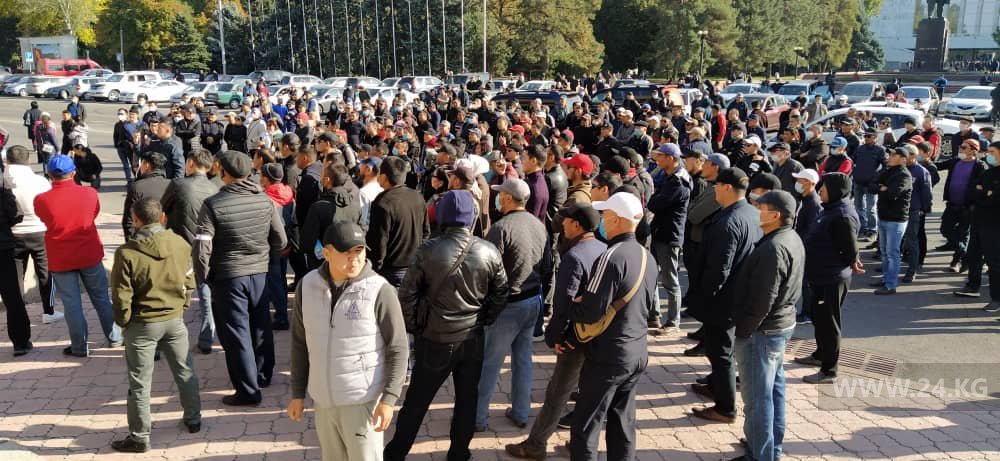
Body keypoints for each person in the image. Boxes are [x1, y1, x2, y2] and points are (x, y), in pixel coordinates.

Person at [384, 190, 509, 461]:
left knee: (416, 402)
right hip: (472, 338)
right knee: (467, 400)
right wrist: (484, 318)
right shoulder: (489, 251)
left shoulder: (429, 249)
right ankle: (459, 453)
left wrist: (417, 326)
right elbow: (501, 293)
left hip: (435, 339)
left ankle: (396, 453)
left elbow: (406, 296)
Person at [288, 221, 409, 461]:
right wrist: (297, 393)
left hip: (362, 401)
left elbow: (398, 347)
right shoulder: (307, 286)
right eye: (346, 252)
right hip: (323, 401)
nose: (354, 259)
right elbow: (300, 342)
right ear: (327, 253)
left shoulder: (379, 290)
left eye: (359, 251)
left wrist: (389, 399)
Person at [505, 203, 605, 460]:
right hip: (597, 335)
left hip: (574, 337)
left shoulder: (574, 256)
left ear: (577, 225)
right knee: (589, 393)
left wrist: (556, 338)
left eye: (566, 220)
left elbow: (563, 305)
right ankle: (582, 443)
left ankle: (536, 444)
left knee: (557, 394)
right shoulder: (603, 249)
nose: (563, 225)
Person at [192, 150, 288, 405]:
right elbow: (281, 240)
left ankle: (248, 390)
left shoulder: (213, 204)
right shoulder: (265, 200)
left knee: (237, 334)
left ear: (224, 172)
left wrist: (206, 278)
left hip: (229, 276)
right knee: (260, 325)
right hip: (259, 274)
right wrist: (265, 260)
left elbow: (202, 248)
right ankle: (263, 375)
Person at [567, 192, 657, 460]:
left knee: (585, 426)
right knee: (622, 423)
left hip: (609, 354)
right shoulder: (647, 256)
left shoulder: (611, 256)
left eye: (605, 216)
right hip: (636, 350)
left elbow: (590, 312)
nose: (602, 222)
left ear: (617, 220)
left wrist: (574, 304)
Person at [108, 198, 201, 453]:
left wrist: (123, 322)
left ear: (136, 220)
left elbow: (121, 296)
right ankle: (193, 419)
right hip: (174, 319)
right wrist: (182, 306)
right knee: (185, 371)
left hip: (142, 324)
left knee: (140, 382)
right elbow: (189, 280)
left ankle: (140, 437)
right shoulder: (180, 243)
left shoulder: (127, 253)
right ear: (162, 217)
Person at [731, 190, 805, 461]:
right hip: (779, 326)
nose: (756, 212)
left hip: (762, 332)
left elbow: (763, 299)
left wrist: (744, 330)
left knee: (758, 399)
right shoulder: (790, 237)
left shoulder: (774, 247)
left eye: (760, 208)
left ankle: (760, 454)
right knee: (773, 391)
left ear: (775, 215)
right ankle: (769, 447)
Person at [688, 167, 762, 424]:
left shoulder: (728, 222)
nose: (714, 190)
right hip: (739, 294)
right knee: (723, 351)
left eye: (716, 186)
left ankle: (725, 407)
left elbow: (718, 269)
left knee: (720, 353)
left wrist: (705, 298)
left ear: (727, 187)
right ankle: (717, 387)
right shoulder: (752, 213)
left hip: (723, 300)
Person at [476, 178, 548, 431]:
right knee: (523, 360)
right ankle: (521, 412)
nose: (498, 199)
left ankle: (477, 417)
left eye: (500, 195)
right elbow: (547, 265)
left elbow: (488, 269)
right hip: (532, 300)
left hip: (508, 305)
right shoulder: (538, 225)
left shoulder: (501, 228)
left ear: (507, 198)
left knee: (489, 363)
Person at [34, 155, 123, 357]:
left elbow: (44, 218)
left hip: (61, 257)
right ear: (73, 172)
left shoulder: (42, 199)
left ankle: (80, 346)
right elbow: (93, 214)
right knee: (101, 298)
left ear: (49, 175)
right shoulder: (89, 193)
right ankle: (115, 337)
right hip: (89, 253)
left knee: (71, 304)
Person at [797, 172, 861, 384]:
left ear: (835, 190)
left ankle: (829, 370)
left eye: (824, 188)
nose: (820, 190)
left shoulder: (842, 215)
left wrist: (851, 260)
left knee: (828, 324)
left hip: (831, 278)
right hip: (819, 275)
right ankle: (820, 354)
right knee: (818, 318)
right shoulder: (829, 209)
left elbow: (849, 249)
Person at [160, 148, 221, 353]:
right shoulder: (214, 188)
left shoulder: (178, 184)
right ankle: (206, 338)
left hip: (179, 246)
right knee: (205, 292)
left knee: (173, 292)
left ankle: (170, 339)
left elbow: (162, 208)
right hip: (206, 247)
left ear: (191, 163)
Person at [3, 145, 61, 326]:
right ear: (28, 160)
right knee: (45, 272)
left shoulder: (4, 181)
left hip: (13, 234)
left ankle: (19, 313)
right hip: (39, 231)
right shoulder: (40, 181)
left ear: (7, 160)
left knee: (16, 278)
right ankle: (49, 311)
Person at [646, 143, 691, 333]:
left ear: (671, 158)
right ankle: (653, 316)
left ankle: (673, 321)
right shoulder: (670, 176)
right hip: (660, 232)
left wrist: (654, 199)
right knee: (652, 276)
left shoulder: (678, 182)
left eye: (661, 156)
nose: (657, 160)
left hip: (669, 236)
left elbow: (654, 204)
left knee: (670, 280)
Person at [366, 156, 428, 287]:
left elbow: (378, 243)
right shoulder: (417, 196)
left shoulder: (383, 203)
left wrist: (374, 269)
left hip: (391, 272)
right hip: (414, 267)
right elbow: (426, 232)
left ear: (383, 177)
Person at [300, 163, 363, 270]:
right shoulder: (356, 206)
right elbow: (361, 232)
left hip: (323, 264)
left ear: (327, 180)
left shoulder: (318, 207)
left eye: (322, 175)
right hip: (348, 261)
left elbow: (307, 241)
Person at [937, 139, 986, 273]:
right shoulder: (955, 161)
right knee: (945, 229)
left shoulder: (979, 166)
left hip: (967, 207)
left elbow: (982, 186)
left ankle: (956, 261)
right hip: (952, 204)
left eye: (964, 147)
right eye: (961, 146)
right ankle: (965, 254)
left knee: (963, 233)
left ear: (973, 151)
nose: (961, 149)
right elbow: (937, 166)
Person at [870, 148, 912, 296]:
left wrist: (883, 188)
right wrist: (881, 188)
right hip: (883, 217)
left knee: (892, 253)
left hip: (896, 220)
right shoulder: (887, 171)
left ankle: (890, 285)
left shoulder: (904, 175)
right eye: (890, 154)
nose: (890, 156)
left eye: (894, 155)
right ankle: (886, 279)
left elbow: (893, 194)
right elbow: (871, 186)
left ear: (903, 159)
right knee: (885, 252)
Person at [1, 162, 32, 356]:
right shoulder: (3, 192)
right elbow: (16, 215)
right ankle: (20, 342)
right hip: (3, 248)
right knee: (12, 297)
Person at [966, 141, 1000, 312]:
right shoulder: (987, 173)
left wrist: (984, 193)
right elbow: (972, 191)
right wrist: (986, 193)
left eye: (992, 152)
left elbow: (996, 199)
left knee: (994, 263)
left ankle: (996, 299)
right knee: (973, 254)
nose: (989, 155)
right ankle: (972, 286)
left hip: (994, 225)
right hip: (978, 221)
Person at [903, 145, 932, 283]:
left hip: (913, 210)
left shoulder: (921, 171)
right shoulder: (900, 168)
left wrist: (924, 209)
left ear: (913, 156)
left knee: (912, 240)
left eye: (905, 154)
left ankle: (912, 270)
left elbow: (927, 193)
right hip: (898, 210)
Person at [123, 153, 170, 239]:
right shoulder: (172, 186)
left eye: (141, 163)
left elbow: (128, 221)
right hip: (166, 238)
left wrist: (131, 241)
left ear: (147, 165)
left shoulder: (137, 187)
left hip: (142, 238)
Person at [852, 128, 887, 239]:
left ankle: (872, 230)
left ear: (875, 137)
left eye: (868, 136)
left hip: (871, 184)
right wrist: (855, 173)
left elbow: (886, 166)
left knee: (871, 208)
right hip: (858, 182)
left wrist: (877, 177)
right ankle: (862, 228)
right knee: (858, 207)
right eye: (865, 136)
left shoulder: (880, 150)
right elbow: (852, 161)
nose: (866, 138)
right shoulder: (860, 148)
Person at [113, 108, 142, 183]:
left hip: (130, 148)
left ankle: (137, 178)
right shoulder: (117, 125)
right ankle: (128, 179)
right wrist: (117, 145)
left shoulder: (129, 124)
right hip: (121, 148)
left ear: (126, 115)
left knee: (133, 164)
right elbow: (115, 136)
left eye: (122, 114)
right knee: (125, 165)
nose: (120, 115)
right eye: (119, 114)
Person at [358, 157, 384, 231]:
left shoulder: (364, 192)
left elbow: (362, 221)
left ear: (368, 170)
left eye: (361, 165)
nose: (359, 168)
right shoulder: (382, 189)